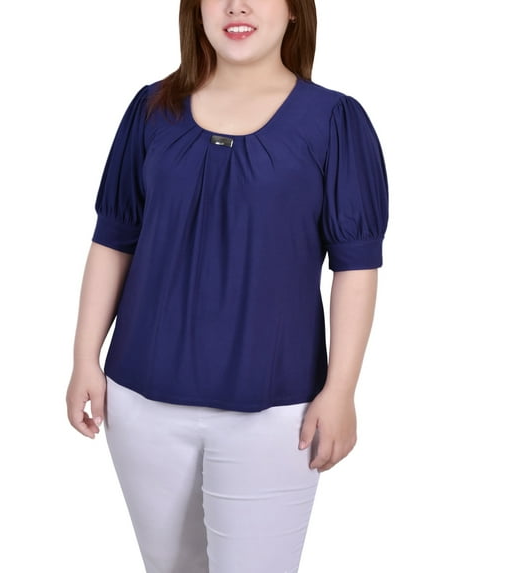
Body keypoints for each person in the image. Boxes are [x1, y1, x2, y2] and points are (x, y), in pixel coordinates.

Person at [65, 0, 388, 571]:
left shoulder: (335, 121)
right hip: (141, 401)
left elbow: (356, 266)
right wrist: (83, 358)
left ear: (294, 11)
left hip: (278, 410)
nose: (237, 5)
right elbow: (114, 239)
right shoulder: (151, 110)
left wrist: (341, 391)